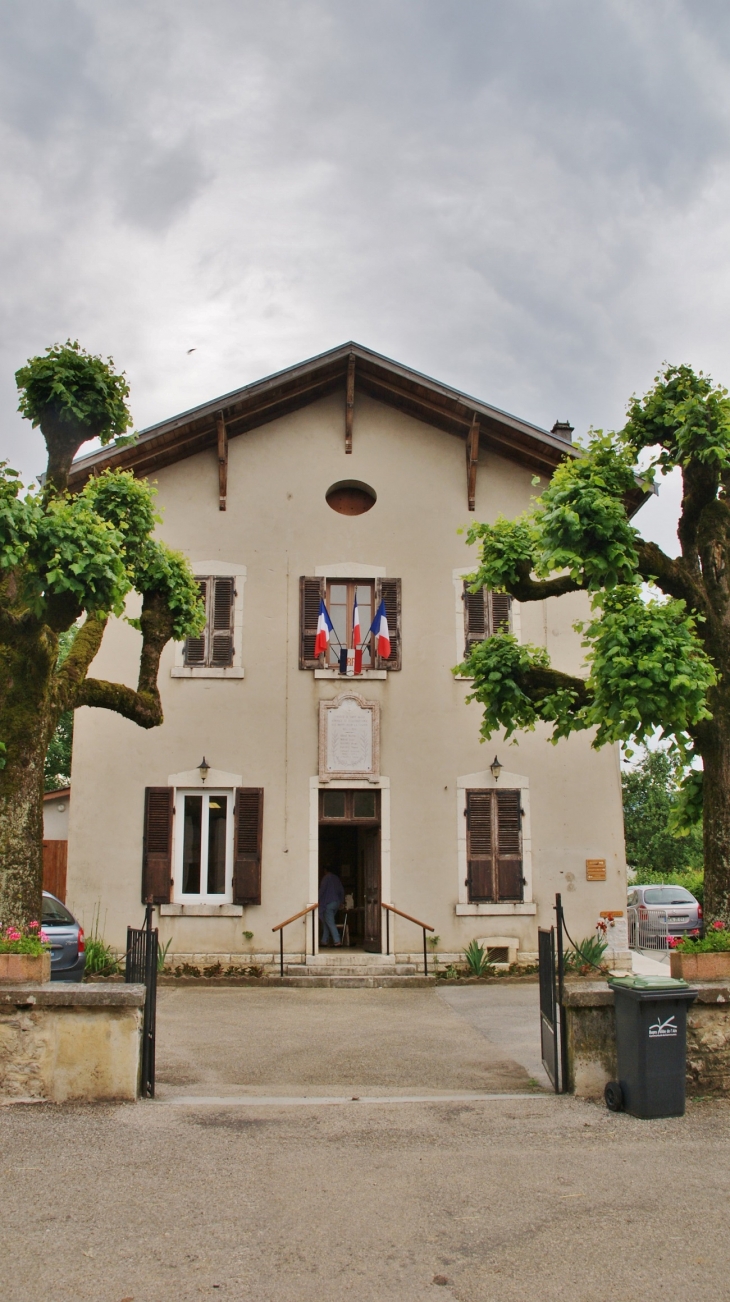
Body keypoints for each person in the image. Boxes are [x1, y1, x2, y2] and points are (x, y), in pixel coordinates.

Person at [319, 868, 345, 947]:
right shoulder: (336, 878)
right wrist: (341, 901)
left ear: (325, 871)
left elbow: (322, 890)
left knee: (330, 922)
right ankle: (324, 940)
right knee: (327, 921)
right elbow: (342, 890)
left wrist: (316, 899)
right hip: (336, 902)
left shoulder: (326, 878)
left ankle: (337, 941)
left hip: (328, 903)